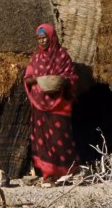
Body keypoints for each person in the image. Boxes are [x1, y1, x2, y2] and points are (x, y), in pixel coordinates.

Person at [19, 23, 79, 185]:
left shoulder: (62, 56)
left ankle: (65, 172)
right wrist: (38, 80)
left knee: (60, 137)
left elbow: (72, 78)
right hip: (39, 104)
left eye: (45, 37)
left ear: (52, 37)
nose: (43, 41)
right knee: (43, 138)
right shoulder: (36, 58)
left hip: (60, 104)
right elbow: (28, 78)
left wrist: (63, 81)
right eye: (39, 38)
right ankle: (48, 173)